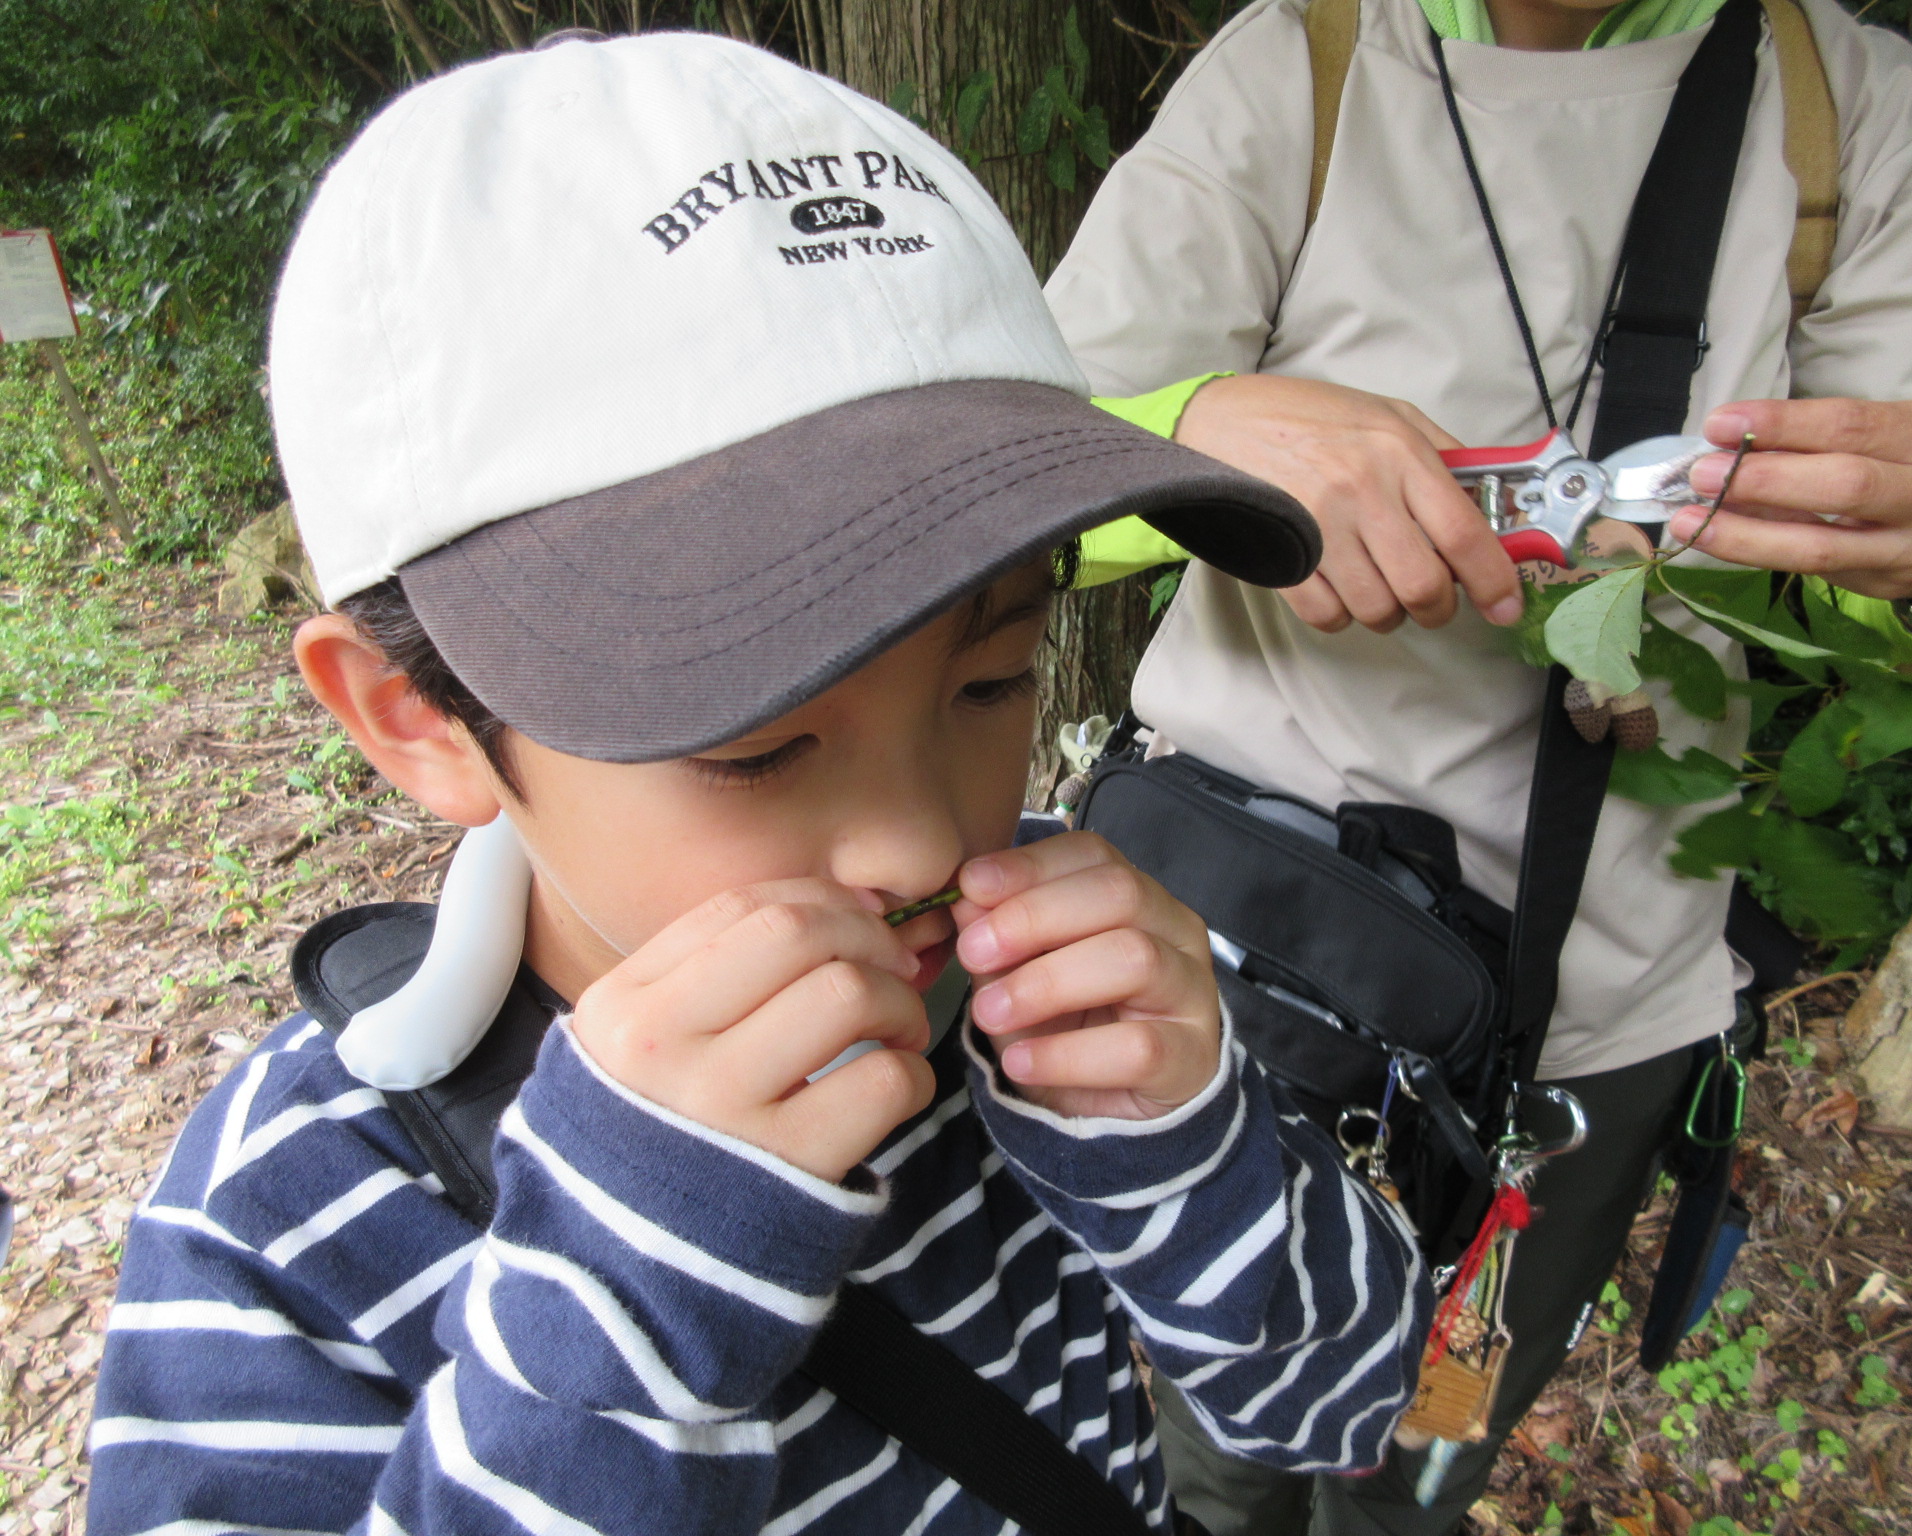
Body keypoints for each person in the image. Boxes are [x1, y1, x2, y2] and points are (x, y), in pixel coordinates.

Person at [84, 32, 1435, 1536]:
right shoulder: (293, 1220)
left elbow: (1344, 1401)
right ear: (420, 716)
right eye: (757, 741)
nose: (924, 836)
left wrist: (1197, 1142)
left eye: (992, 682)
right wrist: (616, 1324)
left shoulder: (1056, 1009)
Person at [1045, 0, 1912, 1529]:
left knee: (1426, 1452)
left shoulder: (1849, 115)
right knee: (1216, 1432)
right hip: (1252, 972)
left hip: (1598, 1020)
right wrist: (1203, 438)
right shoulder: (1302, 65)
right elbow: (1014, 486)